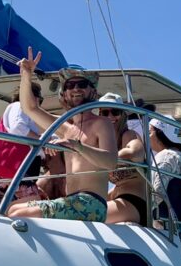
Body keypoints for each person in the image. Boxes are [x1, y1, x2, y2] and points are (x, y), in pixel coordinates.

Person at [7, 51, 116, 222]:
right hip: (71, 201)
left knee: (18, 214)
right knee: (12, 208)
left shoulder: (101, 123)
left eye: (81, 84)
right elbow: (30, 108)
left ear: (92, 91)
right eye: (69, 86)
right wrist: (27, 75)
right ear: (64, 94)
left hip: (91, 204)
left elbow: (110, 162)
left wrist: (78, 146)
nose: (75, 89)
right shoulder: (65, 128)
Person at [96, 93, 149, 225]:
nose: (110, 116)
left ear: (123, 114)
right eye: (105, 113)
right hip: (120, 200)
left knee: (88, 215)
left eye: (115, 111)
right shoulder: (102, 144)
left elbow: (134, 152)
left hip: (134, 202)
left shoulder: (128, 134)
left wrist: (101, 158)